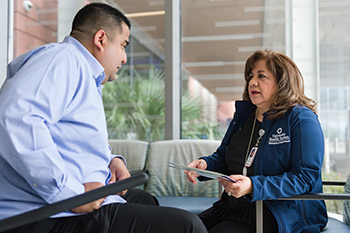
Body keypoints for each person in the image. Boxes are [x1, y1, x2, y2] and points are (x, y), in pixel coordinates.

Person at [0, 3, 207, 233]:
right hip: (50, 213)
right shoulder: (63, 60)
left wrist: (111, 160)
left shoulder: (83, 74)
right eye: (123, 45)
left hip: (77, 200)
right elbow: (17, 118)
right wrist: (71, 195)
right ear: (101, 39)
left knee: (145, 200)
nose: (125, 58)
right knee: (189, 226)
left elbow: (70, 137)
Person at [186, 49, 328, 233]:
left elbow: (305, 178)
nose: (252, 82)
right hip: (236, 206)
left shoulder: (301, 119)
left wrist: (253, 186)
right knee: (186, 227)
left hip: (282, 212)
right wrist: (204, 165)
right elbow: (224, 157)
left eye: (262, 76)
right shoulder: (244, 116)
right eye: (250, 76)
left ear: (282, 82)